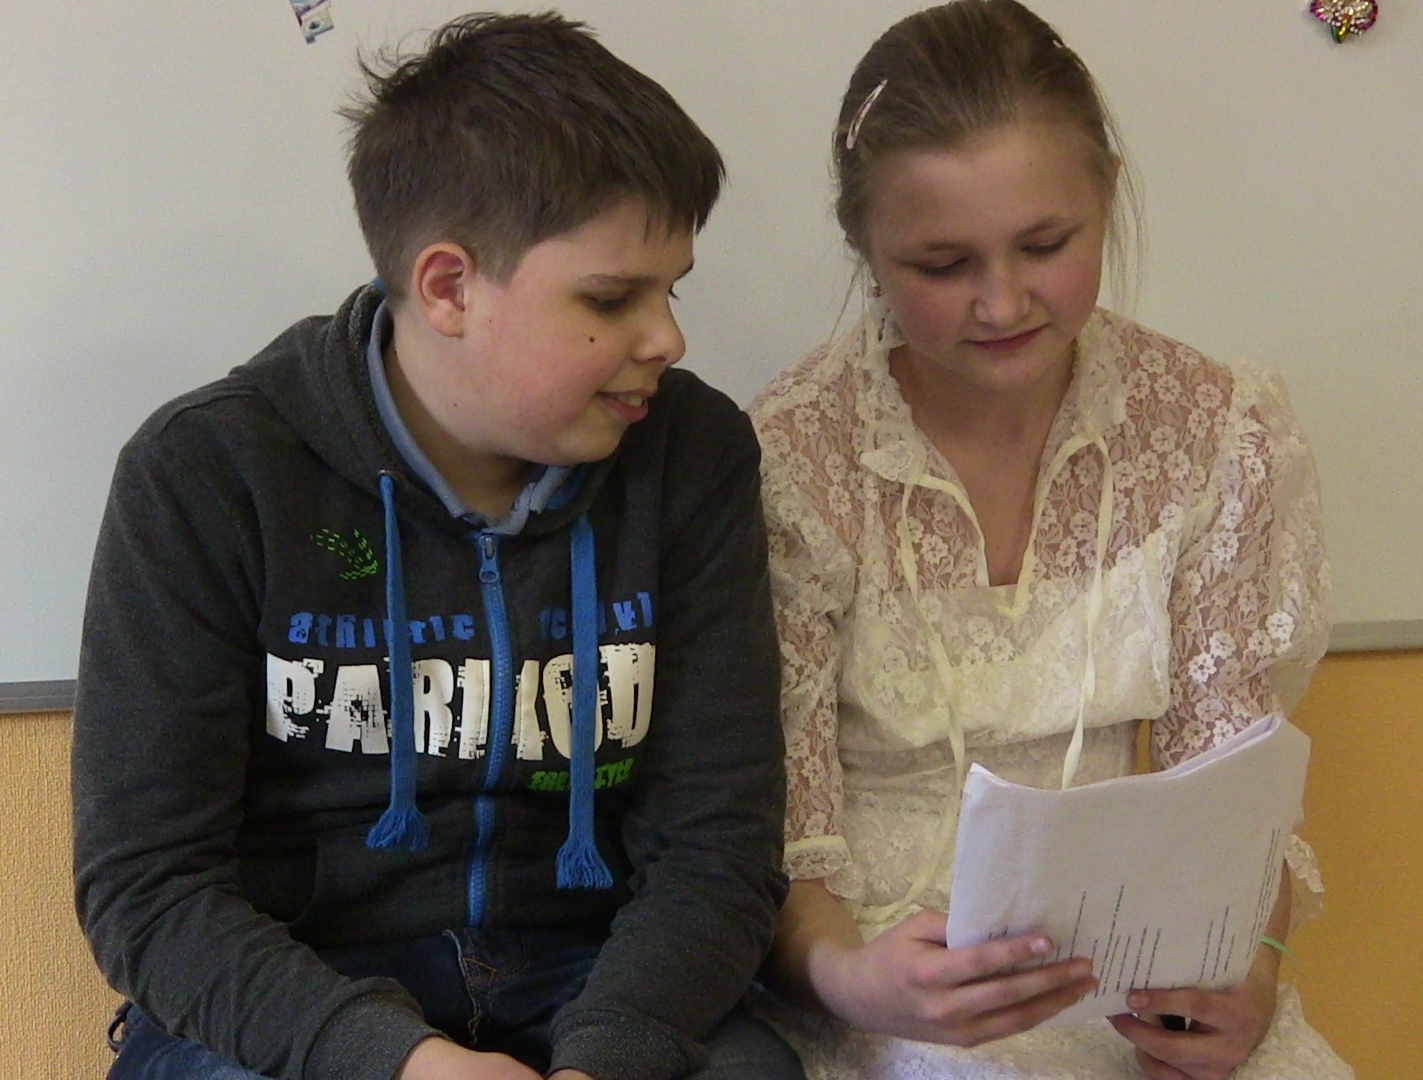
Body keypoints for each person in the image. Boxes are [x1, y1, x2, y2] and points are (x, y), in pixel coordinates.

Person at [72, 13, 804, 1080]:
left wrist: (609, 1055)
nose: (667, 338)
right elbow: (147, 890)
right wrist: (398, 1061)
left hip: (593, 975)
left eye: (671, 288)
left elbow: (717, 847)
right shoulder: (207, 472)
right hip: (304, 998)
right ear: (449, 287)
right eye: (611, 299)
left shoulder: (691, 454)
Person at [748, 3, 1352, 1078]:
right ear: (865, 248)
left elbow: (1232, 780)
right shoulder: (790, 459)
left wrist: (1250, 970)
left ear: (1104, 198)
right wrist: (853, 978)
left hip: (1134, 959)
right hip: (883, 967)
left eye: (1044, 245)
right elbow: (777, 821)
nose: (1000, 302)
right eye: (941, 263)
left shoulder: (1212, 429)